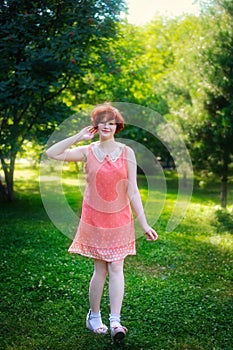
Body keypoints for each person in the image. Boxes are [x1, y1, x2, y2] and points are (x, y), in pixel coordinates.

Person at [46, 103, 158, 342]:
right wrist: (78, 136)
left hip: (120, 219)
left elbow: (133, 191)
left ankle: (115, 320)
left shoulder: (127, 152)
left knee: (117, 267)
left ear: (117, 126)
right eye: (102, 121)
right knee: (101, 268)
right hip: (95, 218)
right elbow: (52, 153)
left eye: (111, 122)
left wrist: (145, 224)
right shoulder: (87, 151)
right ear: (95, 125)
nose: (106, 126)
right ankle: (94, 315)